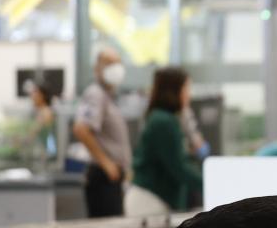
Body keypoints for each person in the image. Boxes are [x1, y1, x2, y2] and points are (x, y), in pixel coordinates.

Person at [125, 67, 204, 216]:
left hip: (155, 200)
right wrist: (210, 183)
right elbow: (178, 166)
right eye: (186, 88)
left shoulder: (166, 118)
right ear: (174, 91)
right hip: (149, 202)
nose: (189, 95)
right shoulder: (164, 121)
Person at [73, 45, 131, 217]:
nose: (115, 68)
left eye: (118, 63)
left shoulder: (108, 96)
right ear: (97, 68)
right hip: (103, 177)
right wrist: (106, 163)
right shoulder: (95, 94)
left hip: (112, 177)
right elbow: (81, 129)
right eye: (109, 63)